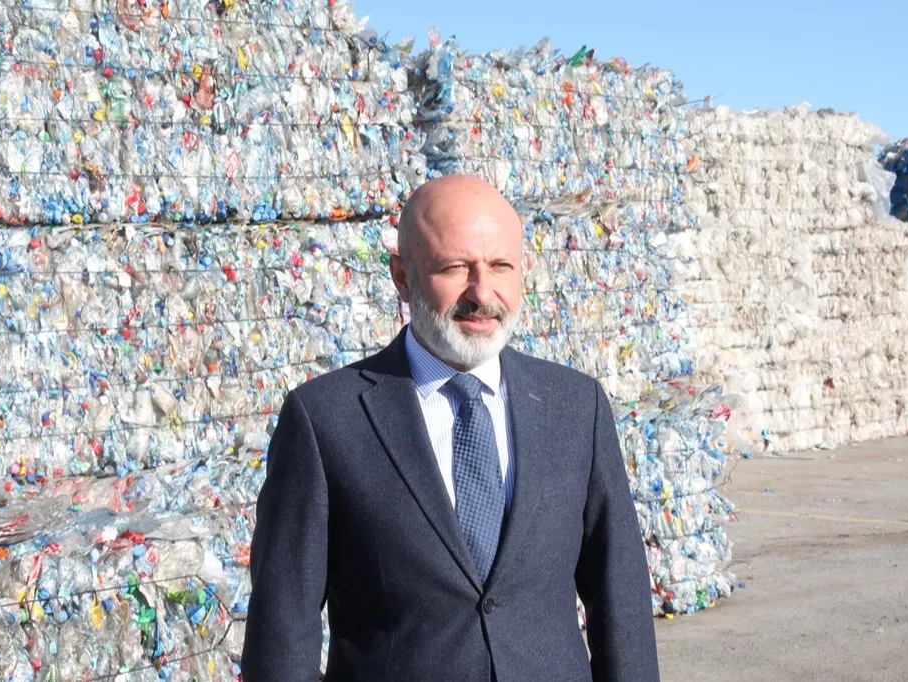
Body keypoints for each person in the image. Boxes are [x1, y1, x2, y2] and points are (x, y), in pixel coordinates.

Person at [241, 175, 660, 681]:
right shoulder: (326, 420)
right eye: (455, 268)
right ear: (402, 277)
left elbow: (620, 598)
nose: (482, 293)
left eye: (500, 266)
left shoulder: (575, 407)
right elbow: (283, 628)